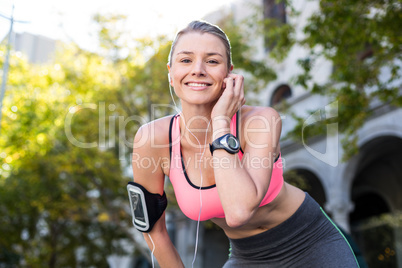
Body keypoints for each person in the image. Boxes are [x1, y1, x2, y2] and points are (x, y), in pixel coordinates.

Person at [131, 20, 359, 268]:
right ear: (171, 73)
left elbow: (239, 212)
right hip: (247, 257)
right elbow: (151, 228)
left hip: (312, 244)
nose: (197, 69)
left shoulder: (261, 121)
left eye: (212, 61)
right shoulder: (152, 139)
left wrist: (220, 123)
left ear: (229, 76)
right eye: (186, 60)